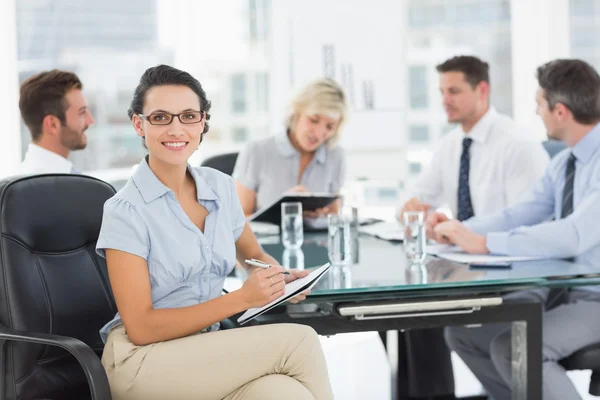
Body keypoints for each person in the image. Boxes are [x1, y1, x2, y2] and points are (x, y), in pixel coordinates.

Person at [96, 65, 333, 400]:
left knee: (284, 392)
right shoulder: (125, 211)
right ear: (139, 124)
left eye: (188, 116)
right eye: (161, 117)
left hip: (206, 348)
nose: (176, 128)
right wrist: (241, 299)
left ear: (203, 121)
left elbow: (254, 259)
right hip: (142, 362)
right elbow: (141, 327)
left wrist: (279, 280)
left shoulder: (220, 188)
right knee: (301, 341)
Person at [432, 59, 600, 400]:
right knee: (464, 335)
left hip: (594, 297)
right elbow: (519, 214)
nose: (536, 111)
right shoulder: (564, 163)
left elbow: (574, 235)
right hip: (559, 291)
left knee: (514, 347)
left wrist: (485, 243)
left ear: (561, 112)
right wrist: (456, 229)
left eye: (539, 103)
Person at [399, 55, 549, 220]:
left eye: (454, 91)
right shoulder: (450, 144)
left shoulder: (518, 144)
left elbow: (528, 221)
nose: (445, 101)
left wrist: (461, 232)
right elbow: (416, 198)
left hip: (498, 245)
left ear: (482, 91)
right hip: (457, 245)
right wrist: (410, 209)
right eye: (442, 92)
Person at [233, 78, 347, 218]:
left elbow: (334, 217)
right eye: (313, 120)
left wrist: (320, 215)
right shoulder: (256, 151)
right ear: (296, 112)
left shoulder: (336, 156)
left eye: (329, 126)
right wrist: (285, 212)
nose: (318, 134)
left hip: (315, 240)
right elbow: (239, 218)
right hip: (264, 239)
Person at [17, 69, 94, 175]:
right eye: (82, 112)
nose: (90, 121)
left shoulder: (19, 182)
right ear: (52, 124)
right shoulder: (46, 186)